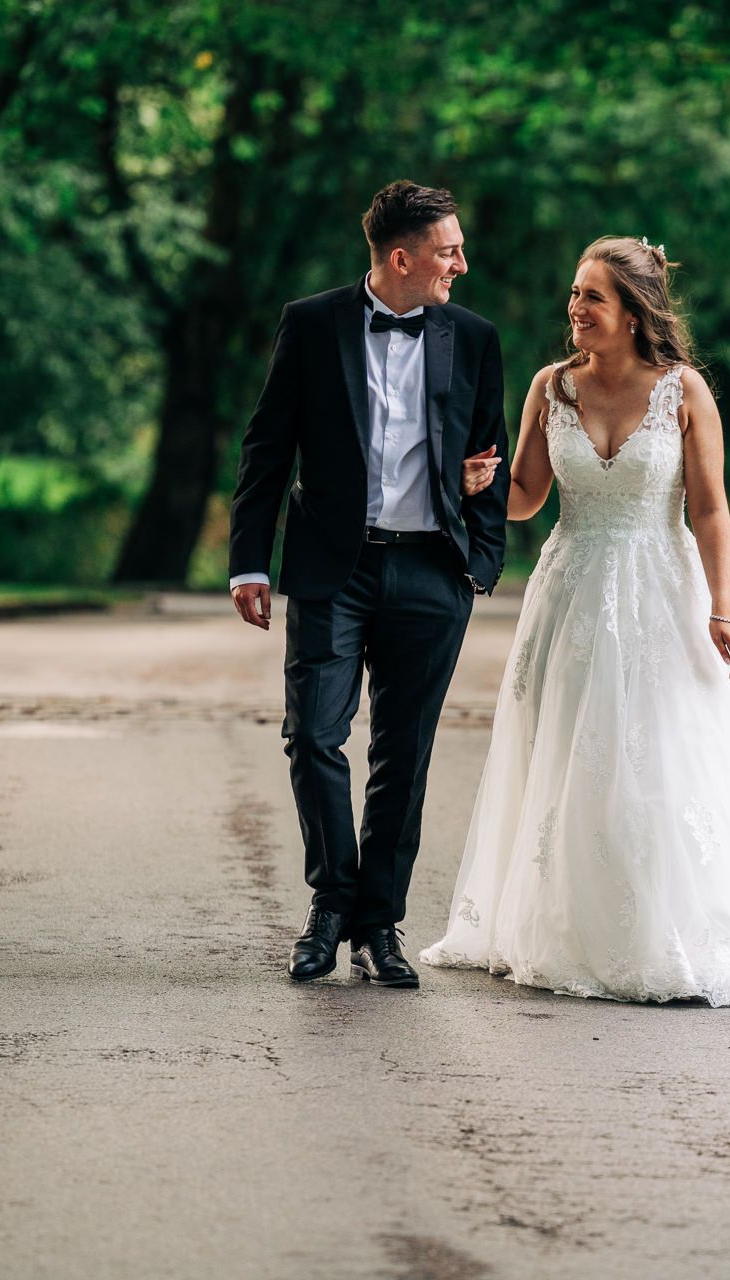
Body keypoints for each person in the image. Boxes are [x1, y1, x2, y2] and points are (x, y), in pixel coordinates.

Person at [420, 237, 730, 1005]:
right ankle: (565, 921)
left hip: (662, 593)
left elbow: (709, 509)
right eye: (573, 295)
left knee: (658, 754)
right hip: (568, 591)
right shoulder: (550, 388)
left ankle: (662, 927)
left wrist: (723, 608)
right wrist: (473, 484)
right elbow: (528, 496)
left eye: (591, 298)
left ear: (633, 314)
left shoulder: (684, 391)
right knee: (569, 753)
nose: (575, 309)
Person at [227, 180, 509, 989]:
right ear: (403, 257)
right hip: (332, 568)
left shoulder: (474, 337)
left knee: (403, 754)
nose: (461, 262)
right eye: (449, 250)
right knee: (313, 735)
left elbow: (485, 458)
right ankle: (330, 905)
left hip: (432, 569)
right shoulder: (311, 325)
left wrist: (476, 563)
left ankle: (378, 925)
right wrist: (251, 559)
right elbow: (267, 447)